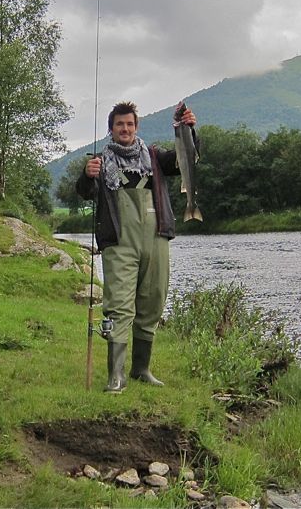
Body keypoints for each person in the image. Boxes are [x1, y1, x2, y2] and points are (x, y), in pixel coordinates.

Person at [76, 101, 198, 393]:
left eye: (130, 124)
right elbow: (85, 193)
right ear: (111, 129)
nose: (125, 129)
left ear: (136, 127)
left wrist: (189, 130)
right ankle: (115, 376)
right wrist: (87, 175)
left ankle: (141, 369)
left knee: (153, 300)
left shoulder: (155, 157)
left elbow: (185, 160)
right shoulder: (100, 161)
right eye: (120, 124)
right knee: (119, 305)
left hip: (156, 238)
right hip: (119, 242)